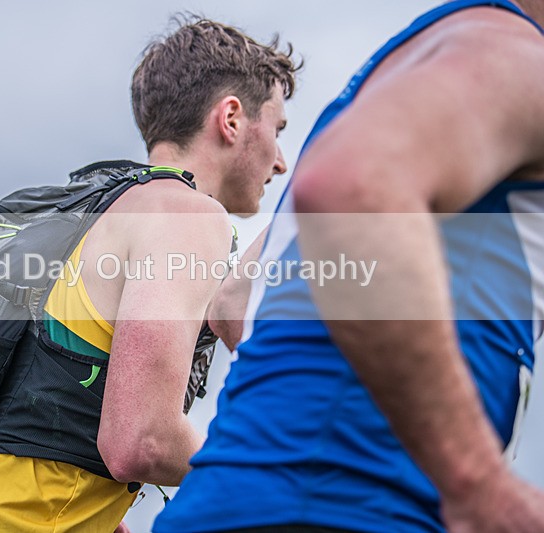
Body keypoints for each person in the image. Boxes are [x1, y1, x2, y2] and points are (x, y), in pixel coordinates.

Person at [0, 17, 298, 533]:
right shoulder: (187, 216)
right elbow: (140, 440)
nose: (281, 162)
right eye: (277, 130)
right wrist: (277, 476)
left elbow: (53, 402)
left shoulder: (105, 208)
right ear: (232, 118)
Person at [155, 1, 544, 533]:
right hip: (347, 508)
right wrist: (477, 483)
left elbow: (234, 299)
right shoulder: (513, 56)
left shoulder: (406, 80)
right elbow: (353, 191)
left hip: (245, 498)